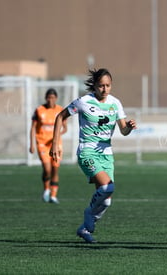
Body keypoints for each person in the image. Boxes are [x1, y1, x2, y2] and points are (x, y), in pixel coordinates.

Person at [50, 68, 137, 243]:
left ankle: (84, 229)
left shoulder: (115, 103)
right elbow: (60, 117)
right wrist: (55, 143)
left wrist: (129, 126)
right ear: (94, 86)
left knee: (106, 201)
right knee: (108, 188)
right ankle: (88, 214)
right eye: (101, 86)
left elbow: (123, 130)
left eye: (108, 85)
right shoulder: (83, 102)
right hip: (87, 151)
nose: (104, 89)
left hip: (106, 154)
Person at [29, 88, 67, 204]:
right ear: (46, 98)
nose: (51, 100)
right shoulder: (39, 110)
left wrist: (56, 136)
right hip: (42, 143)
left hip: (56, 145)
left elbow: (65, 128)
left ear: (56, 98)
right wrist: (32, 144)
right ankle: (46, 189)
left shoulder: (60, 110)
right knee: (47, 168)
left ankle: (53, 195)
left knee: (55, 169)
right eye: (49, 98)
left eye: (53, 98)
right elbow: (33, 128)